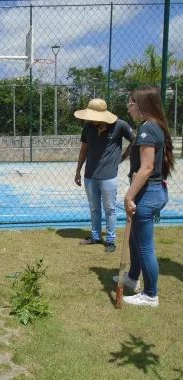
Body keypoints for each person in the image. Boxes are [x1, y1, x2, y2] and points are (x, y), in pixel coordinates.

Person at [113, 86, 174, 307]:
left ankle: (150, 294)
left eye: (131, 102)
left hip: (147, 193)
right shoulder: (153, 127)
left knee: (145, 245)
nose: (128, 107)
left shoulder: (149, 130)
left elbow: (147, 168)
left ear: (142, 104)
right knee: (134, 238)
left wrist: (129, 196)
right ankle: (132, 277)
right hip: (153, 191)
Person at [74, 98, 135, 252]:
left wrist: (123, 156)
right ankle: (95, 236)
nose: (90, 119)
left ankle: (110, 240)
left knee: (109, 209)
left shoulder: (120, 125)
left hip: (109, 176)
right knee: (94, 208)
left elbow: (135, 140)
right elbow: (83, 150)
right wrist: (78, 171)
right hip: (89, 176)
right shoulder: (88, 127)